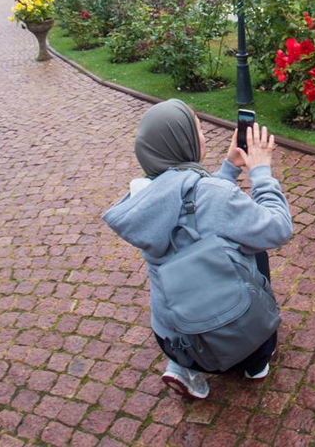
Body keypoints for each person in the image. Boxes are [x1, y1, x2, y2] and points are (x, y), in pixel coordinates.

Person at [102, 99, 292, 399]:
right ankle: (256, 364)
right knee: (256, 249)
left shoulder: (143, 198)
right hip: (231, 339)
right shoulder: (214, 194)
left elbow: (192, 205)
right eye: (199, 131)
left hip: (175, 338)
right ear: (183, 142)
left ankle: (182, 368)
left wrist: (229, 168)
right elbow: (279, 228)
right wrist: (262, 173)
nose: (203, 137)